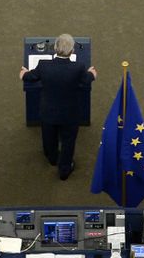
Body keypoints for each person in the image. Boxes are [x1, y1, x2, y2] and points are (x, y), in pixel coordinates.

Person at [20, 34, 96, 180]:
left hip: (48, 112)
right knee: (68, 141)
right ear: (72, 51)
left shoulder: (44, 65)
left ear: (55, 49)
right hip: (70, 114)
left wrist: (23, 74)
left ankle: (52, 158)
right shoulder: (79, 67)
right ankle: (65, 169)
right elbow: (87, 81)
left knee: (49, 137)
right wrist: (92, 74)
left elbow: (31, 77)